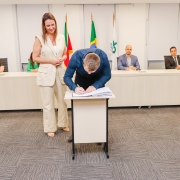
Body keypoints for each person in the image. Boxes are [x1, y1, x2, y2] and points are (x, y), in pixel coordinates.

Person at [32, 13, 69, 137]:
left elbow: (65, 54)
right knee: (48, 103)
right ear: (44, 26)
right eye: (48, 25)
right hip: (46, 74)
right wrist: (51, 61)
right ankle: (50, 127)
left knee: (63, 101)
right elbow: (35, 58)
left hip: (60, 72)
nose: (51, 27)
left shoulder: (61, 37)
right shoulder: (39, 38)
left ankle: (63, 123)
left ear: (55, 24)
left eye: (53, 25)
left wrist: (61, 59)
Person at [64, 48, 111, 142]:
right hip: (81, 81)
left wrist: (95, 86)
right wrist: (74, 87)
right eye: (88, 70)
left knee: (98, 110)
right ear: (83, 63)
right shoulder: (76, 56)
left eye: (92, 71)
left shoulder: (103, 56)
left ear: (99, 65)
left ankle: (99, 136)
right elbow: (67, 77)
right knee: (79, 110)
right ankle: (76, 135)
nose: (89, 73)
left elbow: (107, 75)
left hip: (97, 81)